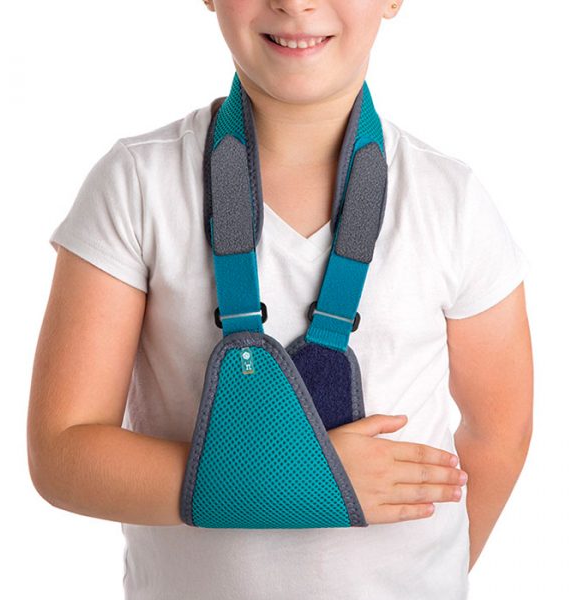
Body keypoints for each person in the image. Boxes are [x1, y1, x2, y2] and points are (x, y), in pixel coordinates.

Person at [27, 1, 533, 598]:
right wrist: (302, 480)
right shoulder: (136, 184)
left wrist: (433, 575)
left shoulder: (452, 202)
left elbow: (501, 432)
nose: (295, 3)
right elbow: (62, 453)